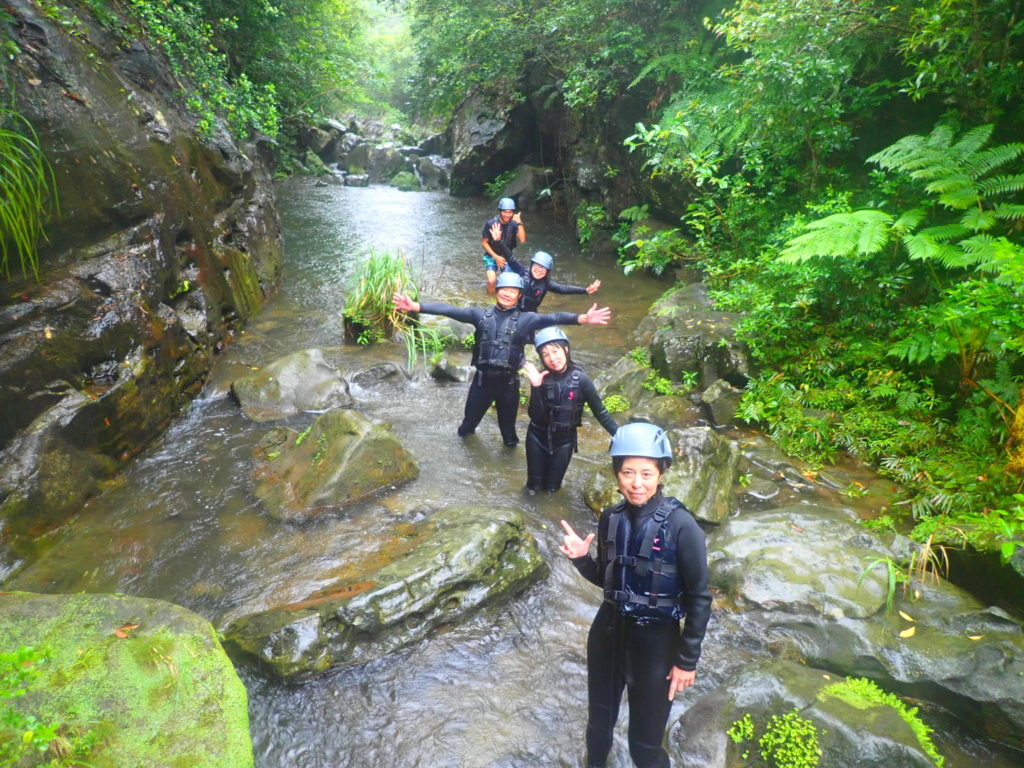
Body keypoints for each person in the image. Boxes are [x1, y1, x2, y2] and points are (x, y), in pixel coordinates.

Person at [559, 422, 711, 768]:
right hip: (608, 635)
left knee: (643, 747)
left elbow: (700, 598)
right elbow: (610, 581)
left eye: (646, 473)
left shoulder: (682, 526)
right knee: (598, 729)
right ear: (617, 474)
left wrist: (687, 660)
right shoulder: (611, 518)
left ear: (661, 474)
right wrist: (582, 560)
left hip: (656, 646)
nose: (636, 483)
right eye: (628, 472)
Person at [392, 272, 611, 447]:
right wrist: (417, 307)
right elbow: (450, 310)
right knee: (466, 427)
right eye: (504, 289)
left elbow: (553, 318)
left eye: (513, 291)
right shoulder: (479, 316)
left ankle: (510, 461)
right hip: (481, 383)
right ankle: (464, 455)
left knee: (508, 433)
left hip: (508, 385)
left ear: (519, 295)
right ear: (497, 291)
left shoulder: (527, 320)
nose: (507, 293)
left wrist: (582, 318)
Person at [521, 327, 617, 493]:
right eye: (546, 354)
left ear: (565, 349)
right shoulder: (542, 378)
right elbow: (535, 416)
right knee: (533, 488)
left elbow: (600, 412)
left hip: (564, 442)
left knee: (552, 489)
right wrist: (536, 387)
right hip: (537, 437)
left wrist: (620, 434)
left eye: (555, 351)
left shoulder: (581, 380)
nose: (552, 358)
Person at [499, 248, 601, 312]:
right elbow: (511, 258)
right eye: (536, 266)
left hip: (530, 314)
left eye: (542, 268)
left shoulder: (546, 284)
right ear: (531, 265)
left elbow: (563, 289)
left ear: (547, 271)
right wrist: (499, 242)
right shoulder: (522, 271)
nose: (539, 270)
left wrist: (585, 290)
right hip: (514, 309)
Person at [481, 197, 525, 296]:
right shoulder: (491, 223)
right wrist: (496, 257)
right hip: (491, 256)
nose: (507, 215)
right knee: (492, 281)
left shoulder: (514, 224)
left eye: (510, 212)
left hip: (507, 257)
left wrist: (519, 222)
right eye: (504, 212)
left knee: (506, 283)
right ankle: (490, 301)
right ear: (500, 211)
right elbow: (484, 243)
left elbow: (522, 240)